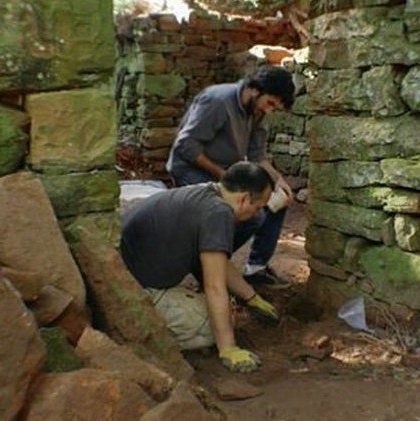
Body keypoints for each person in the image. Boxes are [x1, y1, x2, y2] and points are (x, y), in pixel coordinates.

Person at [120, 162, 280, 373]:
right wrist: (228, 348)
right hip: (135, 294)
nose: (256, 215)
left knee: (222, 311)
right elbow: (214, 286)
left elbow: (219, 262)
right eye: (258, 207)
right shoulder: (218, 213)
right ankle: (140, 340)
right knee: (218, 322)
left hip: (128, 276)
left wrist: (251, 297)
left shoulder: (206, 194)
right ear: (244, 199)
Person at [166, 65, 296, 288]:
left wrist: (278, 180)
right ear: (255, 90)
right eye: (270, 103)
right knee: (247, 215)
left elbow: (257, 155)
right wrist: (224, 177)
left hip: (227, 172)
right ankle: (206, 264)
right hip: (191, 168)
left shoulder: (258, 111)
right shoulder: (217, 100)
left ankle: (256, 268)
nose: (269, 111)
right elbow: (185, 146)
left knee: (277, 201)